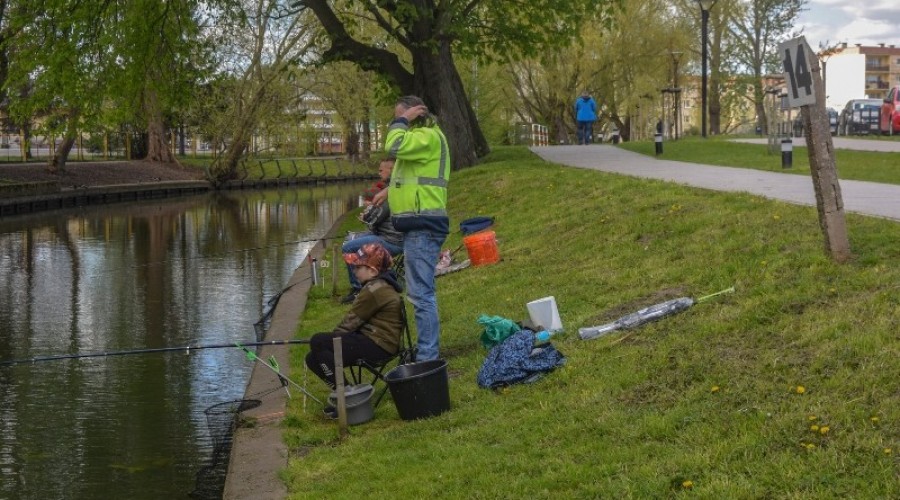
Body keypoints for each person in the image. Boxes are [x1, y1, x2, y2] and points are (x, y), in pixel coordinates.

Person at [375, 95, 449, 361]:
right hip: (417, 225)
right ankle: (426, 350)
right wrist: (388, 193)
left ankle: (428, 356)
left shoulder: (427, 136)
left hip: (423, 225)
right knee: (419, 292)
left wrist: (402, 120)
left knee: (420, 294)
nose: (398, 122)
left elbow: (394, 146)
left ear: (415, 114)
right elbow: (405, 172)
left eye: (402, 117)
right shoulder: (420, 141)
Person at [305, 243, 405, 393]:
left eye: (358, 267)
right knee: (312, 358)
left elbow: (350, 323)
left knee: (318, 341)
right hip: (379, 341)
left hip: (379, 347)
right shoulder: (381, 284)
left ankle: (346, 394)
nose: (354, 270)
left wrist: (330, 342)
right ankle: (344, 391)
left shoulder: (373, 290)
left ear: (372, 271)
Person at [340, 157, 403, 304]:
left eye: (382, 170)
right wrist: (369, 214)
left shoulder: (389, 192)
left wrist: (365, 217)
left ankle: (358, 289)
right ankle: (367, 281)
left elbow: (373, 222)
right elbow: (376, 218)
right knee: (350, 239)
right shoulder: (392, 188)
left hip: (391, 241)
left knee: (347, 247)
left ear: (392, 170)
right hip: (384, 235)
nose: (379, 172)